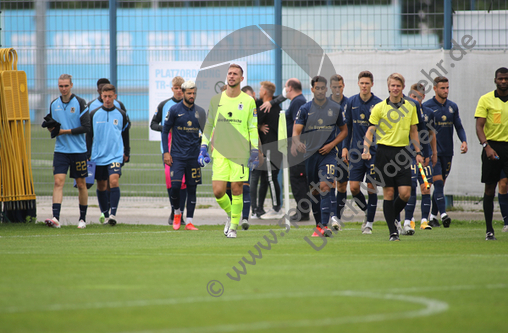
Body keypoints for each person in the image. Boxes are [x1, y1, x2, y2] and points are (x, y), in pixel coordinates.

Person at [199, 64, 258, 238]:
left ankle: (233, 226)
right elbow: (209, 126)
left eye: (235, 74)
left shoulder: (248, 101)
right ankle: (231, 214)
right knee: (218, 191)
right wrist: (203, 147)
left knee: (237, 189)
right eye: (229, 73)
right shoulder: (216, 100)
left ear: (241, 78)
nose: (231, 76)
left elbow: (253, 127)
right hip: (220, 153)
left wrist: (254, 151)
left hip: (240, 154)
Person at [362, 73, 423, 241]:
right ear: (388, 87)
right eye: (392, 85)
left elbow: (413, 131)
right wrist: (366, 148)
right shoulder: (379, 107)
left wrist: (418, 152)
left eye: (398, 85)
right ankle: (393, 233)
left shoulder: (410, 107)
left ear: (403, 87)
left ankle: (391, 215)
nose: (395, 88)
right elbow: (370, 131)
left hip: (403, 154)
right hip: (384, 153)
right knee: (388, 193)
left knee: (405, 193)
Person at [292, 75, 348, 237]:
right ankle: (318, 226)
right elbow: (296, 132)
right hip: (310, 155)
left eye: (323, 88)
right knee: (314, 191)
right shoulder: (305, 108)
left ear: (326, 89)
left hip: (328, 154)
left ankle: (325, 225)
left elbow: (344, 131)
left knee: (326, 186)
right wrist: (297, 143)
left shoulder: (335, 108)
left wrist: (331, 145)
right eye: (318, 88)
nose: (321, 90)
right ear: (313, 89)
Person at [44, 74, 90, 228]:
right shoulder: (54, 104)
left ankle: (82, 219)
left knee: (81, 184)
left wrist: (65, 131)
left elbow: (86, 127)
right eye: (60, 86)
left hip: (78, 150)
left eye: (66, 86)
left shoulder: (80, 103)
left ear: (71, 85)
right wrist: (52, 128)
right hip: (61, 150)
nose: (63, 89)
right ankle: (55, 218)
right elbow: (52, 125)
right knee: (58, 182)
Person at [422, 76, 467, 228]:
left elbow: (459, 126)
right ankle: (444, 214)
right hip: (433, 153)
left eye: (447, 88)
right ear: (435, 88)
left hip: (448, 152)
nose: (446, 90)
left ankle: (433, 216)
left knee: (441, 185)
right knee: (438, 183)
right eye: (442, 88)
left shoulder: (452, 107)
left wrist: (464, 141)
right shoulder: (427, 106)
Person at [162, 80, 206, 231]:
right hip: (177, 156)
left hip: (194, 157)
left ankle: (189, 221)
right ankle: (176, 213)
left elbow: (206, 133)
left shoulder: (200, 111)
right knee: (175, 186)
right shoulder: (174, 110)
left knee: (192, 188)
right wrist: (165, 152)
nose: (192, 95)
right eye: (189, 93)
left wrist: (204, 151)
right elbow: (165, 131)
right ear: (183, 93)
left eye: (194, 93)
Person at [343, 71, 382, 234]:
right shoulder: (352, 102)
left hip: (374, 153)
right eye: (362, 83)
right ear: (358, 83)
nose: (364, 86)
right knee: (353, 188)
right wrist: (345, 147)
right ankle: (368, 211)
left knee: (372, 187)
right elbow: (348, 128)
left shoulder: (379, 104)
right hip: (355, 153)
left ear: (372, 84)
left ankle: (369, 224)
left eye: (367, 83)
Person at [87, 84, 130, 226]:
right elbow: (89, 136)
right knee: (101, 185)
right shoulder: (93, 114)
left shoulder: (121, 114)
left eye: (110, 96)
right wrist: (88, 154)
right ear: (101, 96)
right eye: (104, 96)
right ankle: (105, 215)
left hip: (115, 155)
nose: (107, 99)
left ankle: (113, 214)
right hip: (98, 156)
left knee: (113, 181)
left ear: (115, 97)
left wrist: (127, 152)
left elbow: (125, 134)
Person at [475, 67, 508, 240]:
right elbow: (479, 126)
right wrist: (486, 146)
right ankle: (489, 230)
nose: (503, 81)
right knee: (490, 189)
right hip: (492, 147)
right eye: (500, 78)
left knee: (505, 182)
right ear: (495, 80)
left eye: (506, 78)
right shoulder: (486, 99)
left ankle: (506, 221)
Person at [150, 76, 187, 225]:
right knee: (172, 183)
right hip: (168, 152)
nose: (178, 91)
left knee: (184, 184)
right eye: (176, 88)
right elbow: (153, 124)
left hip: (185, 152)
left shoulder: (190, 105)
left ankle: (180, 214)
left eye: (181, 88)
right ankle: (174, 210)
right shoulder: (164, 105)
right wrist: (166, 128)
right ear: (172, 89)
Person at [404, 83, 438, 231]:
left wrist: (432, 153)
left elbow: (431, 134)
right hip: (408, 156)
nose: (415, 99)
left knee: (426, 187)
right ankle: (409, 220)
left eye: (418, 97)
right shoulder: (404, 111)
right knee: (411, 188)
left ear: (423, 97)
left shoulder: (429, 113)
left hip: (424, 155)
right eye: (413, 96)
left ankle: (424, 220)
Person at [255, 81, 284, 220]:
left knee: (271, 178)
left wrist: (258, 126)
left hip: (271, 149)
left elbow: (252, 123)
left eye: (261, 89)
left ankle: (277, 208)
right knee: (267, 179)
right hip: (274, 148)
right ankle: (263, 208)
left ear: (265, 92)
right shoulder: (275, 105)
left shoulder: (265, 108)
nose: (259, 92)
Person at [284, 78, 310, 222]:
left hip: (297, 148)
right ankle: (302, 210)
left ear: (290, 88)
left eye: (286, 87)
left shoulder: (298, 101)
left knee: (298, 179)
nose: (285, 89)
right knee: (297, 179)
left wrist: (295, 143)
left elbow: (298, 123)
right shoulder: (297, 101)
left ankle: (303, 212)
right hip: (296, 146)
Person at [328, 74, 349, 231]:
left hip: (346, 150)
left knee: (342, 185)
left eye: (339, 86)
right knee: (330, 183)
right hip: (328, 150)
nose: (337, 89)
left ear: (343, 86)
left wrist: (347, 147)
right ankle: (332, 217)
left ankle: (337, 217)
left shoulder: (349, 103)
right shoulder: (324, 104)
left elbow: (350, 128)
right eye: (334, 87)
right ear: (330, 87)